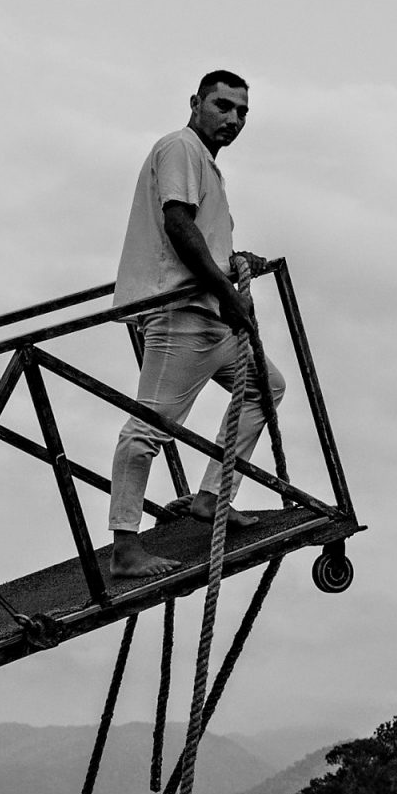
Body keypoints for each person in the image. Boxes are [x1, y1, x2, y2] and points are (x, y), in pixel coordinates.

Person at [105, 70, 284, 581]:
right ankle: (125, 547)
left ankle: (211, 497)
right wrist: (229, 293)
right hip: (182, 316)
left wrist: (231, 263)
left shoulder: (206, 163)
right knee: (146, 430)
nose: (233, 119)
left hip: (210, 317)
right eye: (223, 106)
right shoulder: (181, 147)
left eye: (242, 112)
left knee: (265, 387)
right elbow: (178, 224)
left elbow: (200, 234)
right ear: (195, 102)